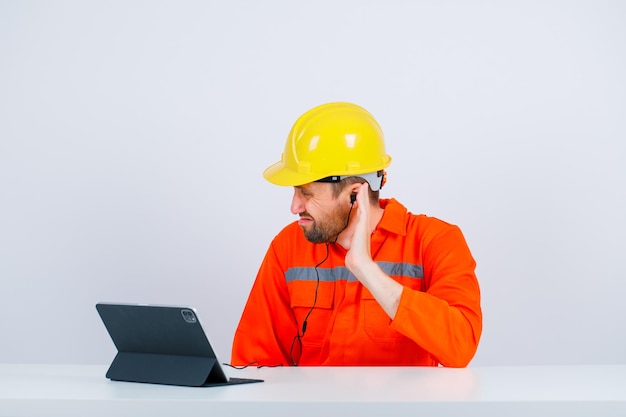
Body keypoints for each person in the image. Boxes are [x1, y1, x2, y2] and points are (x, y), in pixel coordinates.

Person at [231, 102, 482, 367]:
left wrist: (366, 269)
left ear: (355, 194)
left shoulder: (435, 241)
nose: (295, 207)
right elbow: (254, 363)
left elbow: (461, 347)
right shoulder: (288, 246)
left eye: (306, 193)